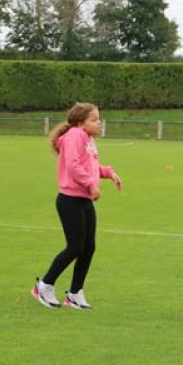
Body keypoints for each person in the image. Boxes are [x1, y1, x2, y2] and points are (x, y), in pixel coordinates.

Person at [32, 103, 122, 310]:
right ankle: (44, 286)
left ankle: (75, 293)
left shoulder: (88, 138)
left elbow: (90, 165)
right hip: (70, 200)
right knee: (75, 247)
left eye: (99, 119)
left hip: (84, 200)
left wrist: (108, 173)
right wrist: (91, 185)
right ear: (81, 123)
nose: (99, 123)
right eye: (94, 119)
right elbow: (73, 166)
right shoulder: (75, 135)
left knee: (88, 247)